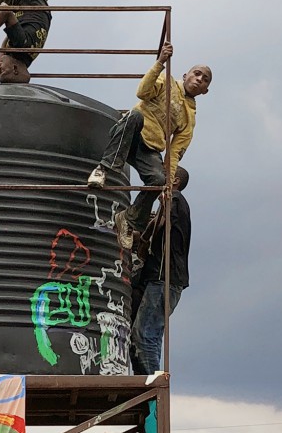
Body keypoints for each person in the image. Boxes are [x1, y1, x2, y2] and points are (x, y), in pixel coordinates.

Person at [87, 45, 210, 246]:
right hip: (130, 133)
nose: (199, 80)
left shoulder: (189, 118)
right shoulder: (166, 81)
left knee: (158, 180)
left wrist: (168, 183)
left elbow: (175, 152)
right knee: (134, 116)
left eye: (204, 80)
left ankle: (128, 218)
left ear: (206, 91)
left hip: (150, 149)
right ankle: (104, 169)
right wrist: (160, 63)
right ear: (186, 75)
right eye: (197, 74)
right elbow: (142, 92)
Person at [130, 166, 191, 376]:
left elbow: (160, 225)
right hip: (162, 280)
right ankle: (148, 389)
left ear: (173, 181)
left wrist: (140, 235)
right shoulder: (172, 204)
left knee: (144, 335)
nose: (157, 176)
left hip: (164, 279)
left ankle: (151, 392)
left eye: (164, 173)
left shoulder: (175, 200)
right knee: (148, 336)